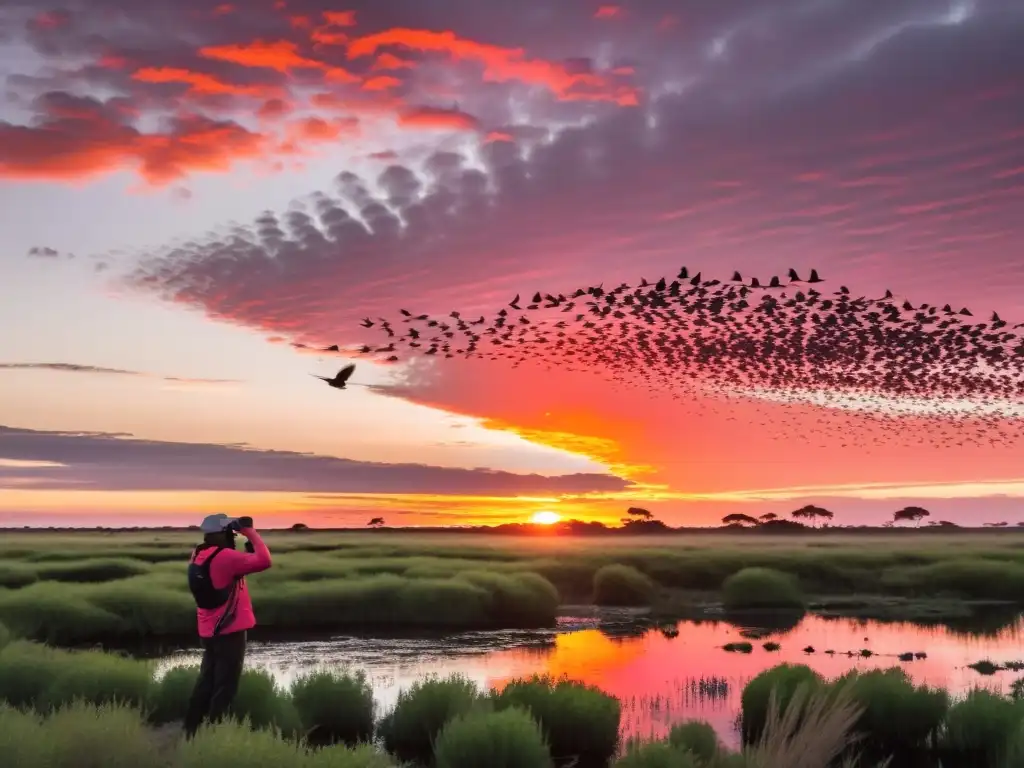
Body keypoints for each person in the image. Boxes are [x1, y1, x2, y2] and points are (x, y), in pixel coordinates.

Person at [183, 513, 272, 739]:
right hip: (229, 632)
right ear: (223, 533)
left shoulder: (199, 554)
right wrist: (249, 532)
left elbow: (236, 566)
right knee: (225, 687)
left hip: (209, 631)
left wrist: (242, 543)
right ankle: (215, 736)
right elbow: (265, 561)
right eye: (230, 533)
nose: (233, 536)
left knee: (206, 682)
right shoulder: (226, 558)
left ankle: (190, 732)